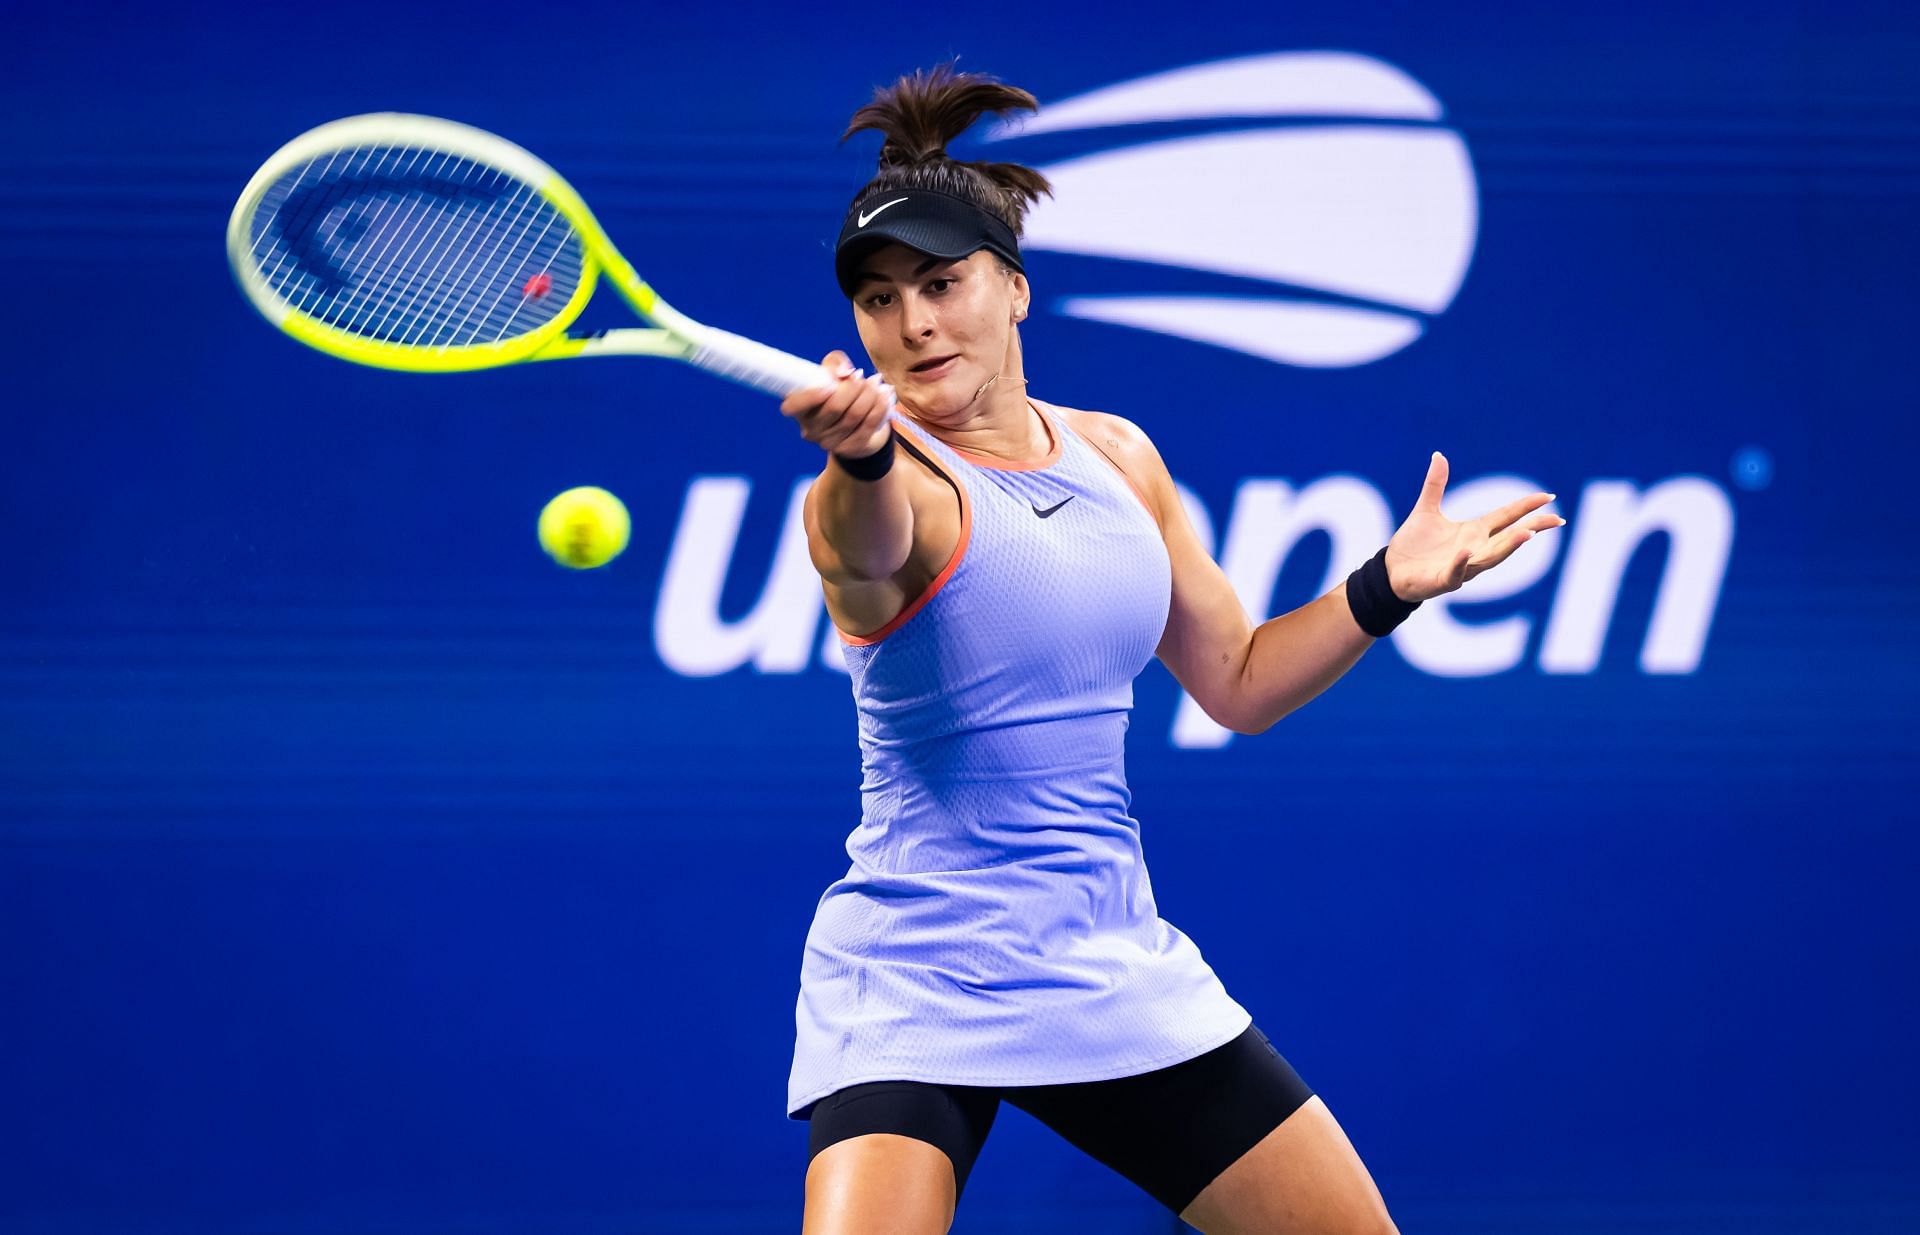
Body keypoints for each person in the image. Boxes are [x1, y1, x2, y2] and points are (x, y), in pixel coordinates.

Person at [776, 63, 1564, 1235]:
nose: (913, 323)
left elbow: (1239, 681)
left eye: (942, 284)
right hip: (914, 971)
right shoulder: (891, 487)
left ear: (1016, 291)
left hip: (1105, 958)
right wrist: (861, 458)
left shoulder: (1118, 458)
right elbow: (868, 545)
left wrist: (1387, 586)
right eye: (879, 300)